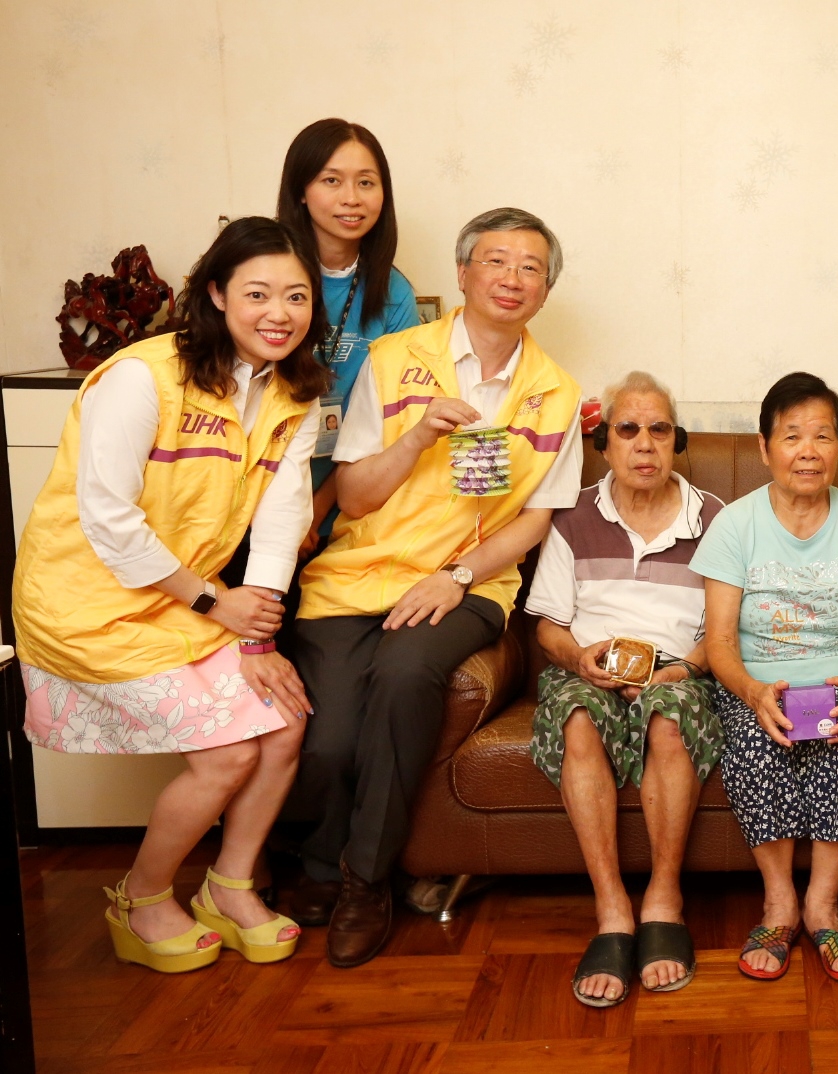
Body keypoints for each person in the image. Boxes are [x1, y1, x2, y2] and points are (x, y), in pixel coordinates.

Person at [13, 217, 326, 972]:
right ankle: (143, 897)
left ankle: (228, 887)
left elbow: (282, 520)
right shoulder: (140, 376)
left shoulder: (294, 394)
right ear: (215, 294)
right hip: (89, 607)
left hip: (188, 601)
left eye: (296, 296)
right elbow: (110, 522)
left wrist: (256, 632)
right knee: (225, 758)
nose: (278, 314)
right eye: (258, 294)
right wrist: (217, 606)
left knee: (284, 724)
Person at [289, 207, 585, 968]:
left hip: (470, 582)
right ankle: (318, 862)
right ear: (463, 274)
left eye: (530, 268)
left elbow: (537, 522)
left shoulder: (554, 393)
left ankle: (364, 879)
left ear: (546, 290)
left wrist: (455, 577)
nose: (512, 279)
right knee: (325, 739)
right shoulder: (394, 359)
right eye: (496, 261)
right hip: (357, 573)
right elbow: (351, 496)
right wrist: (419, 434)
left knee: (404, 675)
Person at [691, 373, 838, 984]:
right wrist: (754, 692)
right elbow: (721, 641)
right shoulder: (735, 524)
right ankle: (780, 901)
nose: (808, 450)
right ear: (765, 448)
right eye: (792, 436)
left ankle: (823, 905)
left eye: (823, 436)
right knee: (754, 746)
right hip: (756, 684)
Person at [525, 371, 724, 1007]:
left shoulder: (715, 520)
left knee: (670, 718)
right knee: (580, 717)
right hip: (589, 665)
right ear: (604, 442)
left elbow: (726, 628)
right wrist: (578, 658)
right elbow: (549, 627)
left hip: (680, 668)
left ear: (677, 440)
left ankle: (664, 895)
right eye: (628, 429)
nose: (645, 444)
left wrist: (687, 667)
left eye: (659, 430)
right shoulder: (571, 518)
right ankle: (612, 906)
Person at [276, 118, 421, 548]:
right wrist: (287, 512)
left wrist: (316, 510)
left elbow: (394, 420)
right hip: (256, 492)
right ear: (301, 190)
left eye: (366, 182)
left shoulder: (395, 293)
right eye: (332, 180)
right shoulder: (264, 274)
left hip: (349, 502)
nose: (351, 199)